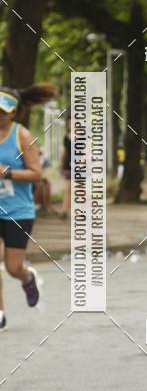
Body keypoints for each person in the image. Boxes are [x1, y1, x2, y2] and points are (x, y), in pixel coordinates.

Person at [0, 84, 58, 329]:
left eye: (5, 110)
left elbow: (36, 174)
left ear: (15, 112)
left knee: (13, 267)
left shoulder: (21, 135)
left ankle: (28, 277)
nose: (0, 114)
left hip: (18, 211)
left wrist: (7, 173)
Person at [59, 117, 72, 219]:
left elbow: (86, 151)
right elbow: (65, 152)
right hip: (68, 165)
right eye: (69, 123)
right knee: (68, 189)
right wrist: (61, 164)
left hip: (81, 166)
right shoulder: (66, 137)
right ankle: (64, 211)